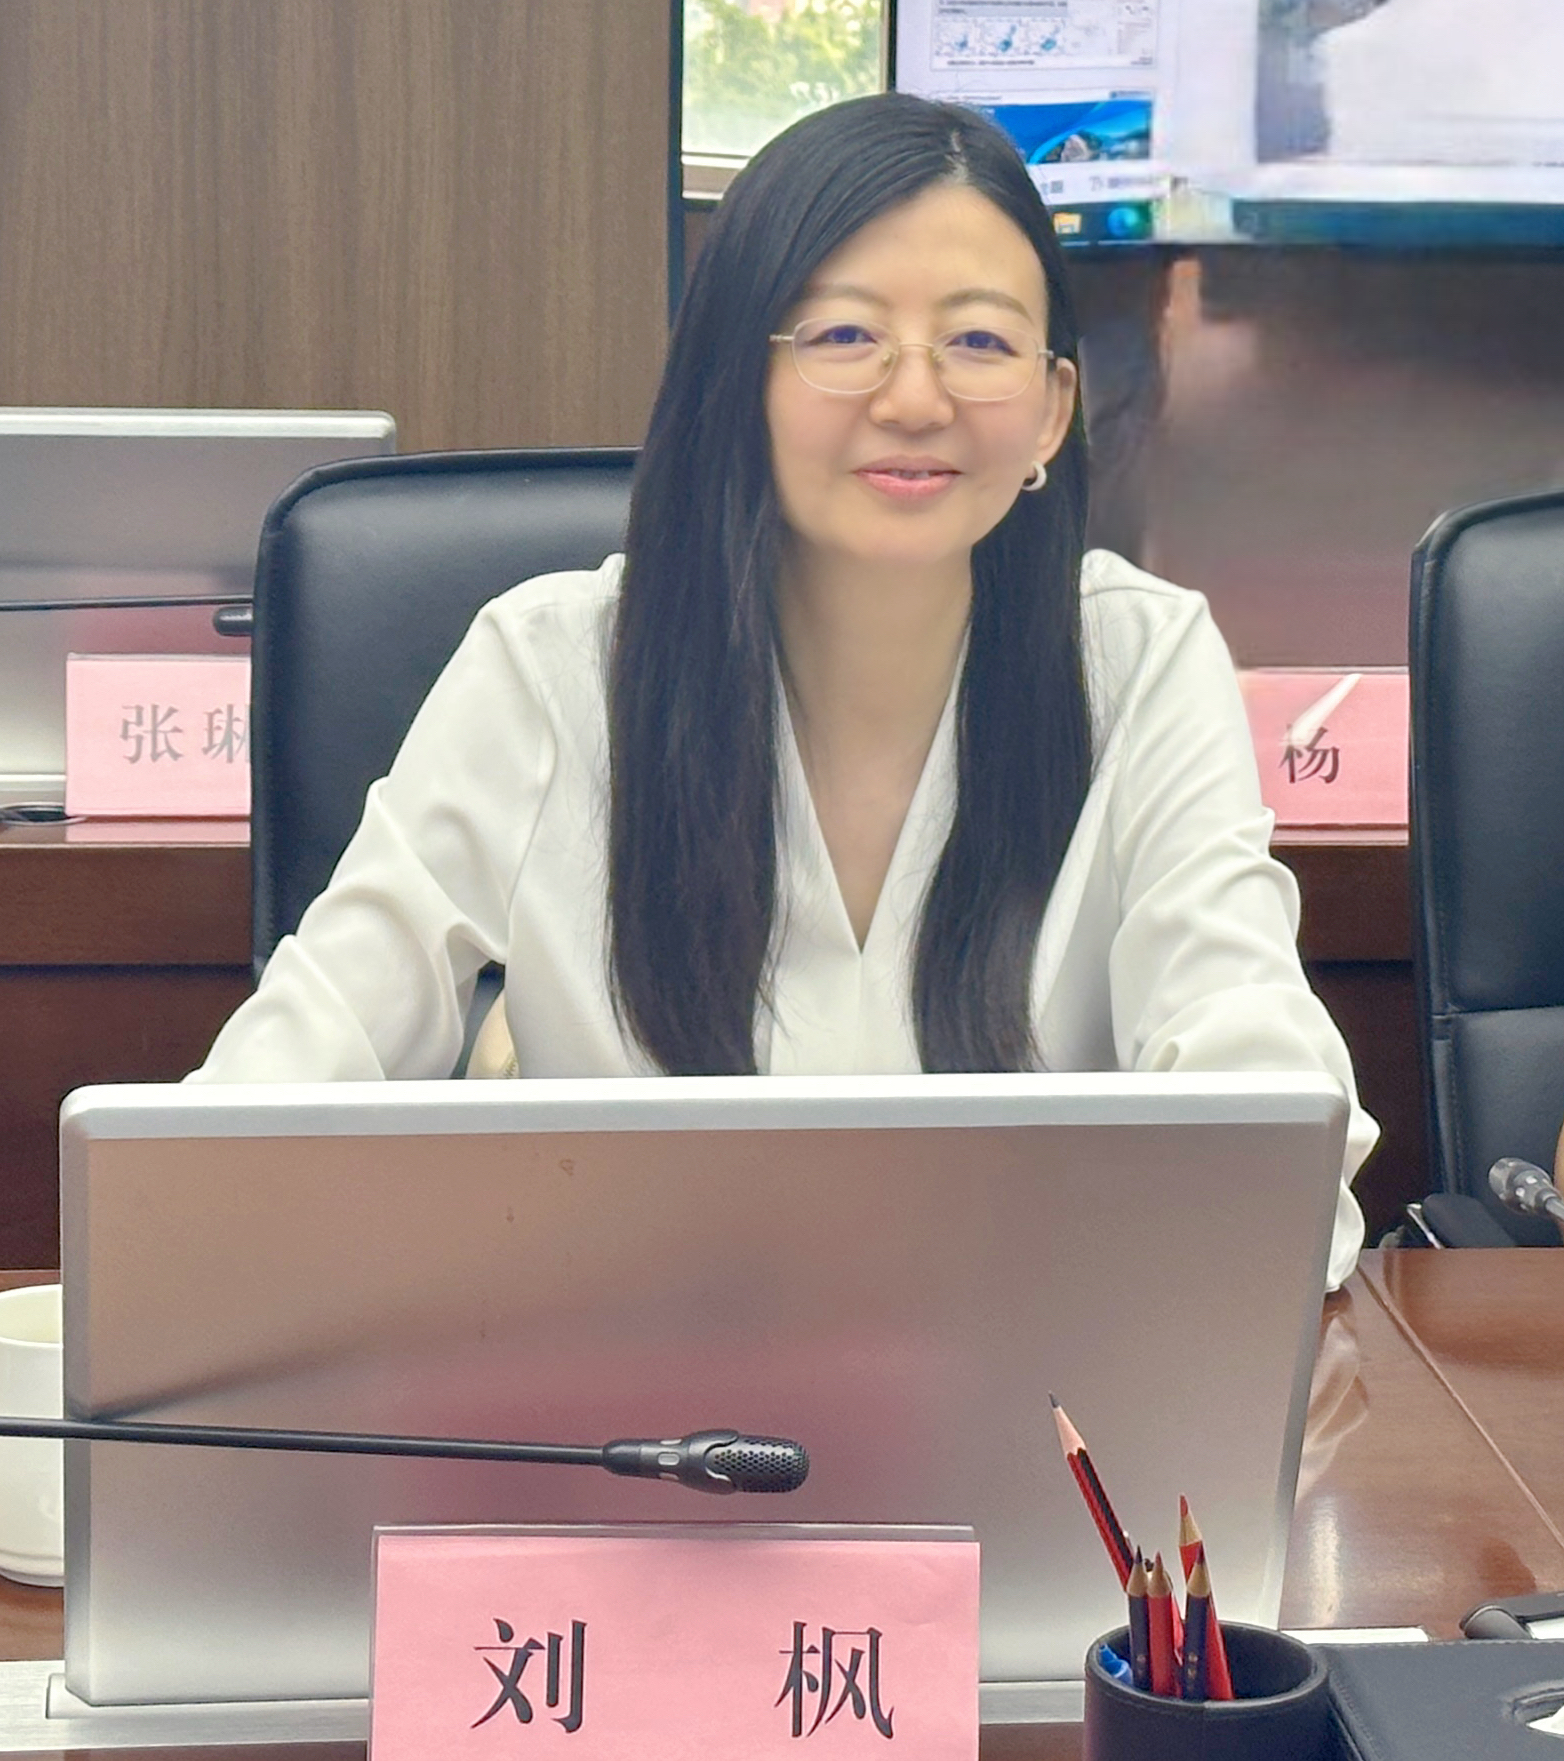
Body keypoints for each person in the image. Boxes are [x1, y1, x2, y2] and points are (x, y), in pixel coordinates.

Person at [190, 93, 1374, 1285]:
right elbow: (272, 1101)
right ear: (736, 382)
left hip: (1029, 1380)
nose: (915, 400)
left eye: (977, 342)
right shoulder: (548, 669)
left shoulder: (1137, 663)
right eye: (844, 335)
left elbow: (1267, 1129)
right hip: (621, 1377)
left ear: (1051, 412)